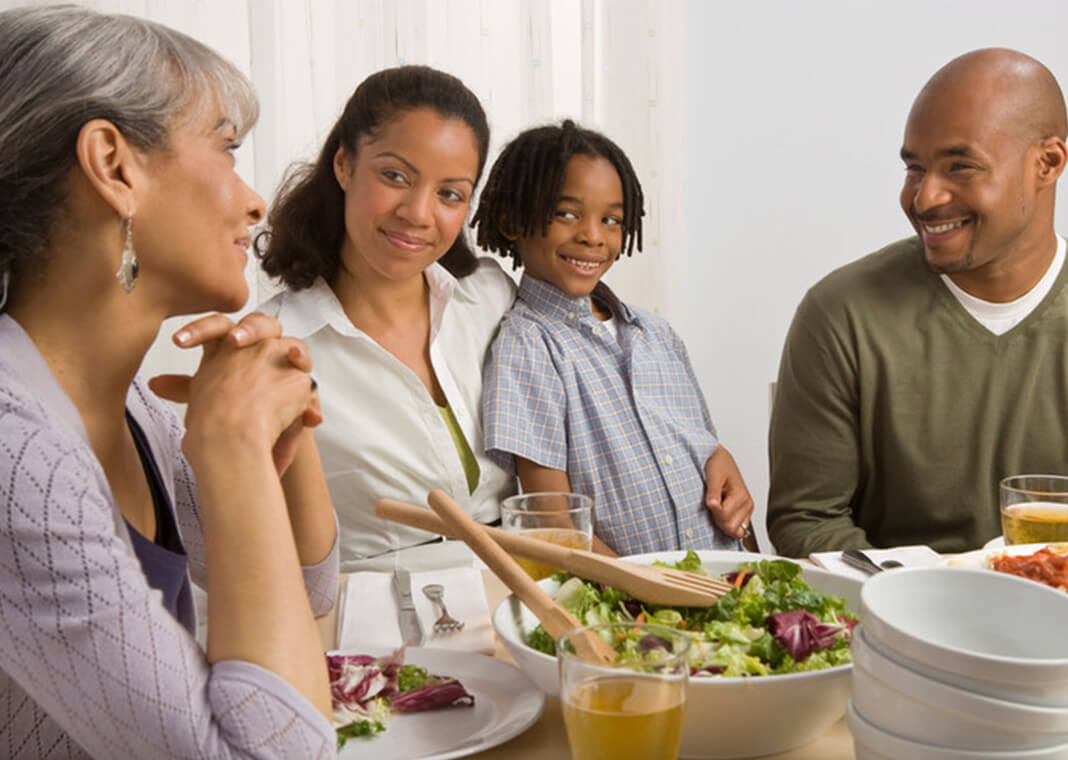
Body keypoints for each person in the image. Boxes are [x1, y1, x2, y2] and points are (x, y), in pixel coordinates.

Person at [0, 6, 339, 757]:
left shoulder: (131, 411)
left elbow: (308, 600)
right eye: (226, 149)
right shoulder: (16, 456)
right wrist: (232, 448)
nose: (255, 200)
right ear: (115, 167)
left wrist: (280, 409)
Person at [767, 48, 1068, 557]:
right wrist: (937, 601)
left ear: (1048, 163)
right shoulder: (841, 315)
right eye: (914, 168)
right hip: (899, 623)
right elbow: (807, 521)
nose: (925, 198)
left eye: (960, 167)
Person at [257, 66, 516, 572]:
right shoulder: (277, 346)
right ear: (344, 165)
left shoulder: (491, 300)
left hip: (516, 603)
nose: (419, 213)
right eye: (395, 176)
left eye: (450, 194)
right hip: (368, 627)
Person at [473, 120, 755, 557]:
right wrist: (642, 591)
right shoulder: (527, 347)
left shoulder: (656, 334)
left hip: (730, 576)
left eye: (611, 220)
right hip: (634, 606)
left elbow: (706, 447)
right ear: (513, 219)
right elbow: (555, 524)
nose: (592, 235)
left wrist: (724, 464)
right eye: (566, 213)